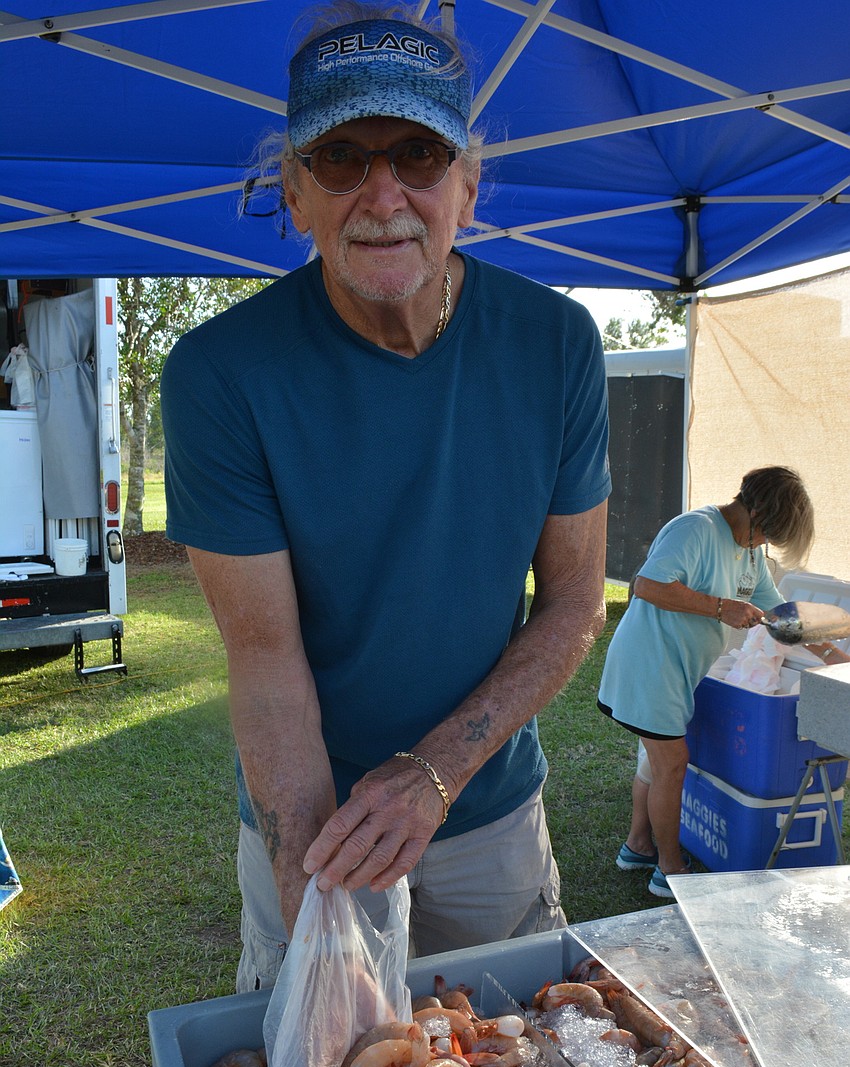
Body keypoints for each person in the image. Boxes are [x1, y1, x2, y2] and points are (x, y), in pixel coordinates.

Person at [160, 1, 611, 991]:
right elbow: (266, 666)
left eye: (417, 152)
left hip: (487, 811)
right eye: (338, 157)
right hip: (314, 815)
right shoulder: (218, 374)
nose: (382, 193)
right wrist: (313, 894)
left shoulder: (557, 344)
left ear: (469, 187)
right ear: (292, 193)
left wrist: (435, 772)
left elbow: (574, 602)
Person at [597, 466, 814, 899]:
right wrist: (720, 608)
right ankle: (670, 870)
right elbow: (646, 585)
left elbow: (781, 612)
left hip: (678, 670)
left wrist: (833, 650)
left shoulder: (750, 551)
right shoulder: (695, 528)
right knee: (672, 763)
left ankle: (637, 845)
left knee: (655, 761)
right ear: (756, 510)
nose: (764, 544)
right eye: (766, 533)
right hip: (651, 664)